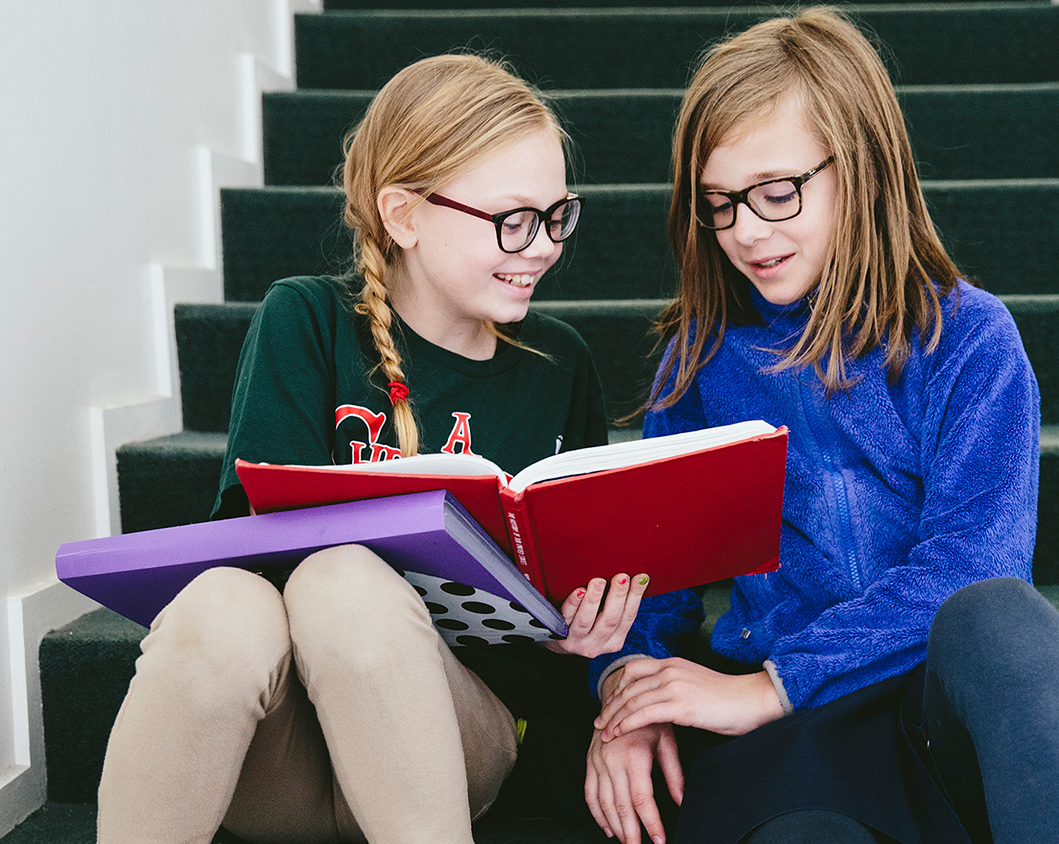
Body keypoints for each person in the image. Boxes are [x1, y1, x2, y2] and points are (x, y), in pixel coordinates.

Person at [580, 8, 1059, 844]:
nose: (748, 231)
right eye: (721, 204)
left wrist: (777, 680)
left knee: (1001, 616)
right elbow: (655, 588)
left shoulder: (970, 339)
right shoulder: (698, 360)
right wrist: (625, 691)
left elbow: (975, 559)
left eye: (777, 193)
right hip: (786, 746)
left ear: (863, 168)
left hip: (918, 708)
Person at [95, 53, 652, 844]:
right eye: (512, 219)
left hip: (455, 741)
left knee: (346, 577)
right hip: (283, 753)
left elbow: (565, 585)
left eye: (557, 215)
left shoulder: (559, 364)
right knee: (233, 601)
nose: (541, 247)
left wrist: (579, 624)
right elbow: (246, 549)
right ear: (404, 214)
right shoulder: (305, 320)